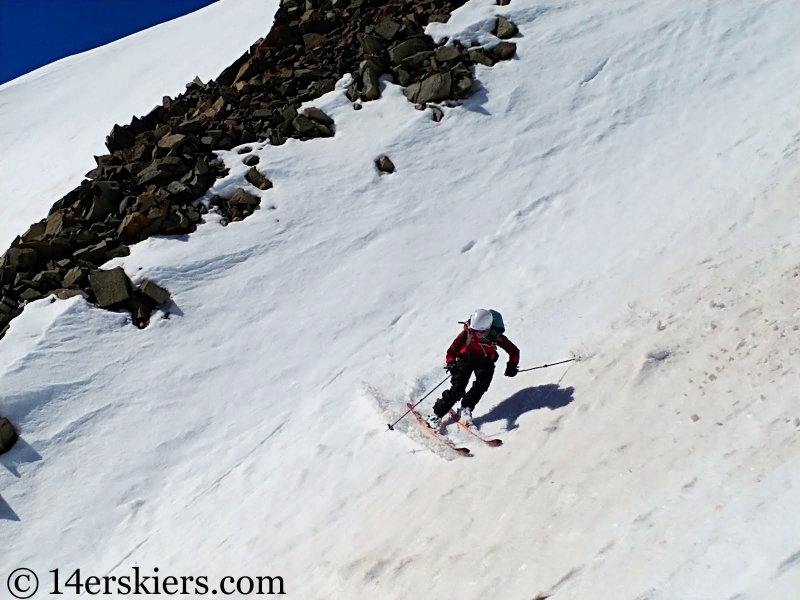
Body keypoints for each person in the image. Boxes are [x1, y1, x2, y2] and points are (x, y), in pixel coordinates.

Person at [427, 308, 520, 429]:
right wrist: (451, 363)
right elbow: (451, 351)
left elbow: (513, 351)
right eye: (474, 330)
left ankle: (466, 408)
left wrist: (512, 365)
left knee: (481, 386)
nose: (477, 334)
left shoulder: (495, 336)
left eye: (480, 331)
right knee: (458, 389)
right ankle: (435, 414)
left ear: (488, 328)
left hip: (485, 362)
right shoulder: (467, 333)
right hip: (465, 360)